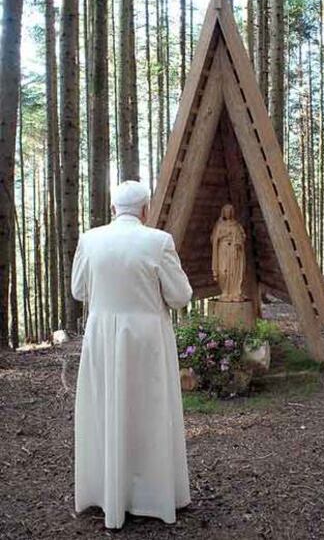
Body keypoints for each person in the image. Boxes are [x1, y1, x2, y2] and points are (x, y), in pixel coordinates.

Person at [71, 180, 193, 529]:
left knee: (106, 409)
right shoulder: (159, 242)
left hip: (103, 338)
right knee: (149, 410)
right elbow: (181, 295)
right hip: (147, 340)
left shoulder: (89, 239)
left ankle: (107, 492)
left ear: (112, 208)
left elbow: (79, 289)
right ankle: (152, 494)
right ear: (145, 209)